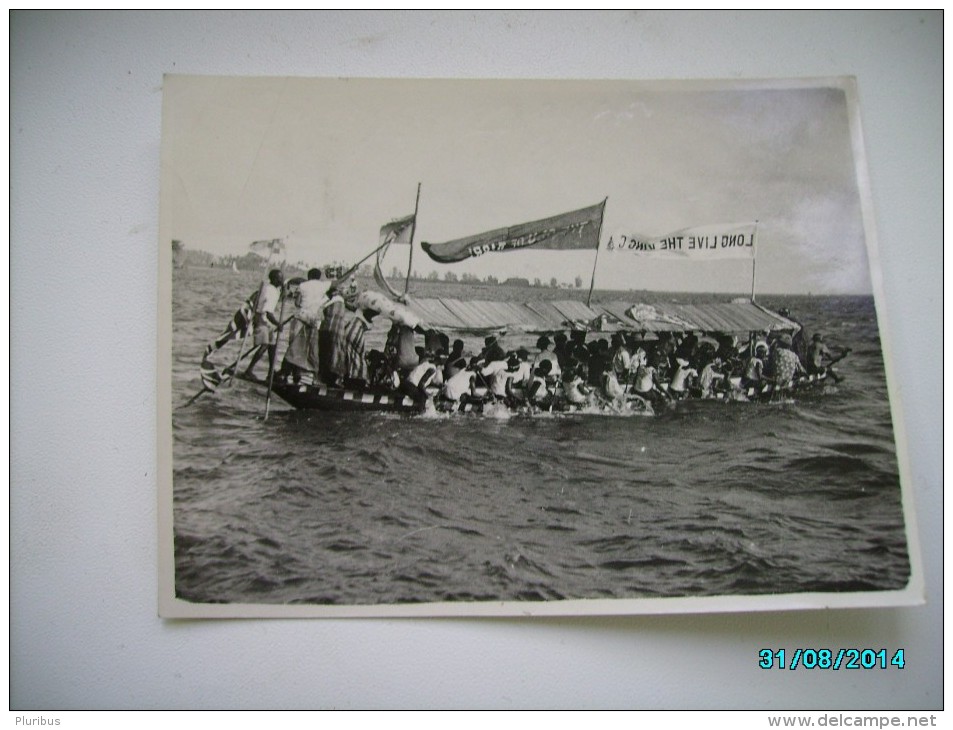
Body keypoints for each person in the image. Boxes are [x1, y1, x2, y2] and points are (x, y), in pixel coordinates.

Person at [280, 268, 332, 382]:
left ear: (309, 276)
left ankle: (288, 374)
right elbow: (338, 282)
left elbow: (297, 303)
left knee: (293, 345)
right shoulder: (323, 286)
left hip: (300, 317)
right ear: (319, 277)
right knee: (308, 348)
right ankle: (300, 375)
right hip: (312, 320)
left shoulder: (302, 285)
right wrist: (352, 270)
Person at [244, 269, 284, 379]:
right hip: (261, 319)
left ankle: (271, 373)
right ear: (275, 279)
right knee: (265, 344)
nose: (282, 280)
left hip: (264, 319)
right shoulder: (271, 291)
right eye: (280, 278)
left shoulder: (268, 288)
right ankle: (249, 370)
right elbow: (268, 312)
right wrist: (278, 324)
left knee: (272, 346)